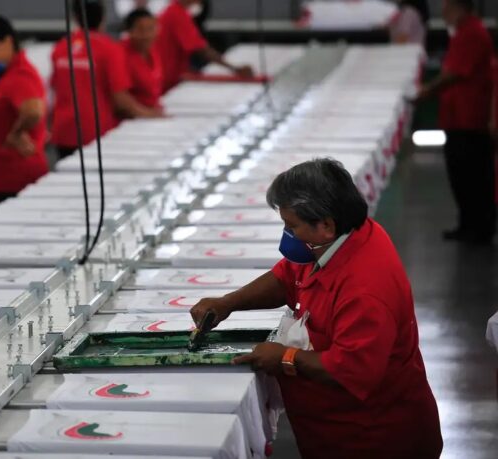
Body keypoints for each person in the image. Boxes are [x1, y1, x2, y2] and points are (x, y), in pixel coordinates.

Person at [190, 159, 443, 459]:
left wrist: (285, 357)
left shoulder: (366, 290)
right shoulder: (336, 241)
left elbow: (351, 369)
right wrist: (227, 303)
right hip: (330, 432)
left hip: (374, 439)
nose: (287, 233)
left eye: (291, 226)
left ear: (326, 225)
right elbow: (287, 277)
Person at [415, 0, 495, 244]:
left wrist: (427, 90)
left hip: (469, 119)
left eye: (448, 7)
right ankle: (468, 224)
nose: (444, 12)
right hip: (458, 117)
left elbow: (454, 73)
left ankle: (479, 228)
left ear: (460, 7)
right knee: (462, 175)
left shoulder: (472, 33)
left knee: (473, 176)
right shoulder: (464, 32)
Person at [51, 0, 162, 159]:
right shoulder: (109, 49)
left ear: (76, 17)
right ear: (103, 18)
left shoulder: (61, 47)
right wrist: (150, 114)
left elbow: (55, 89)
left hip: (64, 130)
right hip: (95, 131)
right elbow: (121, 99)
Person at [0, 16, 49, 213]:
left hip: (12, 184)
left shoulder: (20, 75)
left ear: (8, 42)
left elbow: (33, 111)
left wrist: (16, 133)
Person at [155, 0, 252, 93]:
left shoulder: (174, 10)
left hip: (169, 73)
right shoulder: (178, 14)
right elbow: (201, 49)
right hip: (166, 78)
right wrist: (234, 68)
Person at [121, 8, 163, 110]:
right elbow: (120, 97)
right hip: (135, 115)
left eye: (151, 29)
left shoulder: (153, 50)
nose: (147, 35)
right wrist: (147, 113)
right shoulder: (120, 55)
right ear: (129, 31)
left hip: (153, 111)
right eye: (141, 30)